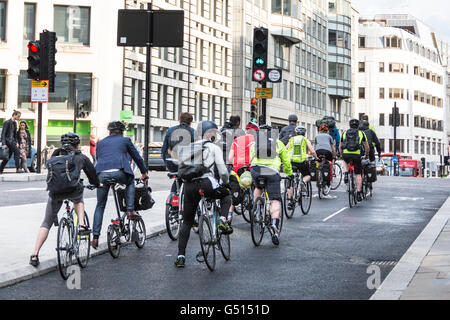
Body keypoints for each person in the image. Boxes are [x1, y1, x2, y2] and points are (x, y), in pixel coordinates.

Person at [29, 133, 100, 267]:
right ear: (77, 144)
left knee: (46, 222)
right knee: (78, 199)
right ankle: (81, 224)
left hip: (55, 192)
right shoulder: (81, 157)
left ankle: (35, 254)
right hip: (73, 191)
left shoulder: (54, 156)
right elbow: (92, 175)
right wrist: (97, 184)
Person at [174, 120, 232, 268]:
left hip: (188, 186)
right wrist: (225, 182)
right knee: (226, 196)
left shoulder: (187, 148)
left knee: (186, 222)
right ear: (210, 133)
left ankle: (180, 257)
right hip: (206, 183)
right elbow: (223, 171)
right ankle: (223, 221)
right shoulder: (213, 147)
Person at [91, 121, 149, 249]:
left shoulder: (100, 143)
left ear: (109, 131)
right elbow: (137, 158)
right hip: (119, 172)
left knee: (100, 205)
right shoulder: (125, 140)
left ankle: (95, 237)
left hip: (101, 175)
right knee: (130, 181)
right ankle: (129, 211)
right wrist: (144, 173)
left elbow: (100, 159)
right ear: (122, 132)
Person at [250, 124, 293, 246]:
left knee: (258, 187)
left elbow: (250, 157)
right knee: (275, 200)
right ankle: (274, 225)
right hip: (271, 171)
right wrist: (289, 173)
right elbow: (286, 161)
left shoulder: (256, 143)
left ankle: (257, 211)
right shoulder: (278, 143)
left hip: (256, 170)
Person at [227, 121, 258, 220]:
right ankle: (256, 207)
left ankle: (229, 214)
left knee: (236, 188)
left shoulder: (236, 140)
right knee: (256, 185)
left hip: (238, 167)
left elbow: (230, 158)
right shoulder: (257, 140)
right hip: (251, 166)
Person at [161, 112, 195, 193]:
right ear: (190, 123)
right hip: (187, 165)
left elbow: (164, 149)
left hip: (172, 164)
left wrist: (167, 162)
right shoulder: (193, 132)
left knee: (178, 179)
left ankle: (172, 197)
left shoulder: (170, 131)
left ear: (179, 121)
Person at [285, 125, 317, 210]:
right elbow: (312, 151)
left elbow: (286, 149)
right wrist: (316, 157)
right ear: (304, 133)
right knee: (308, 175)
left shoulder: (292, 139)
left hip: (291, 162)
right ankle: (303, 182)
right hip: (302, 161)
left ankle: (289, 202)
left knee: (291, 181)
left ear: (296, 133)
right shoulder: (305, 139)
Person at [339, 119, 370, 202]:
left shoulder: (344, 133)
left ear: (349, 125)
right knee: (358, 174)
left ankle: (346, 173)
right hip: (356, 154)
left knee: (344, 160)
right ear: (358, 126)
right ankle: (359, 192)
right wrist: (366, 154)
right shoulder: (361, 133)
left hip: (346, 153)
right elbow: (366, 146)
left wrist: (341, 154)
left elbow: (340, 145)